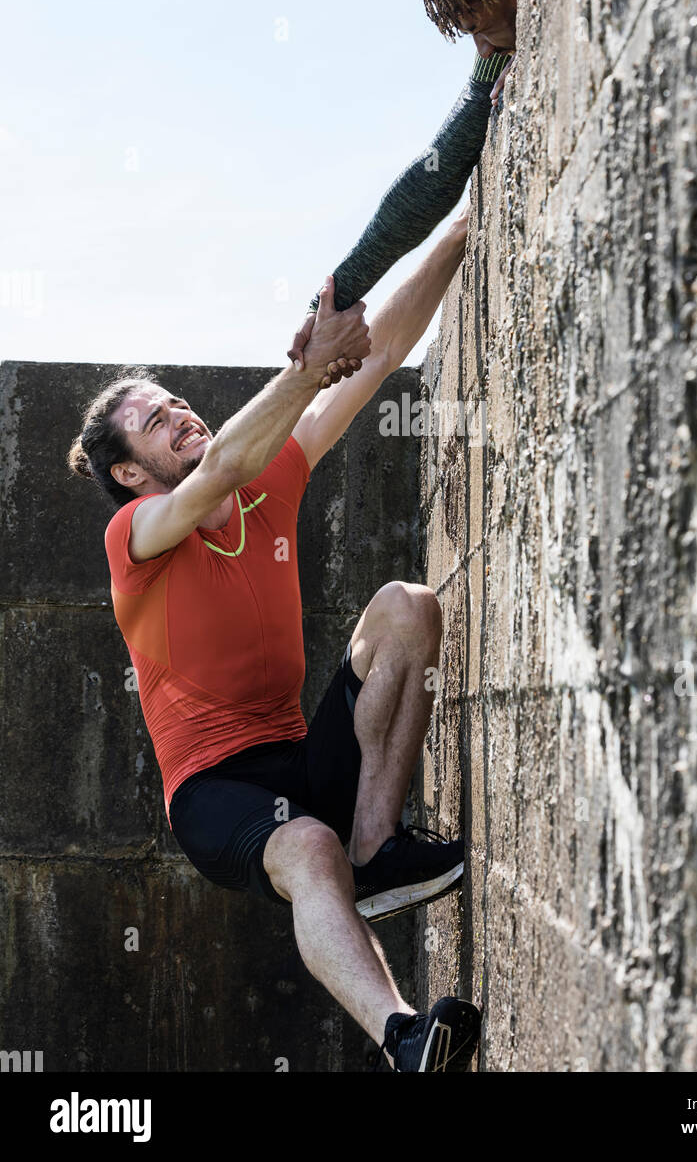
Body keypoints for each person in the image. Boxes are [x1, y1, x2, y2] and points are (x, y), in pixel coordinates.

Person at [68, 212, 482, 1072]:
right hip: (217, 794)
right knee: (305, 846)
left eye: (176, 401)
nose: (178, 413)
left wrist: (458, 232)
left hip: (297, 754)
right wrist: (306, 362)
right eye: (154, 421)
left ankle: (379, 849)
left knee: (409, 606)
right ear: (130, 475)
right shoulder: (137, 541)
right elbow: (218, 470)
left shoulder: (267, 487)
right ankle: (406, 1037)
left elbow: (371, 364)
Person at [287, 0, 538, 370]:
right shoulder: (494, 63)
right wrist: (327, 304)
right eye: (471, 33)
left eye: (483, 26)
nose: (483, 48)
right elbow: (427, 184)